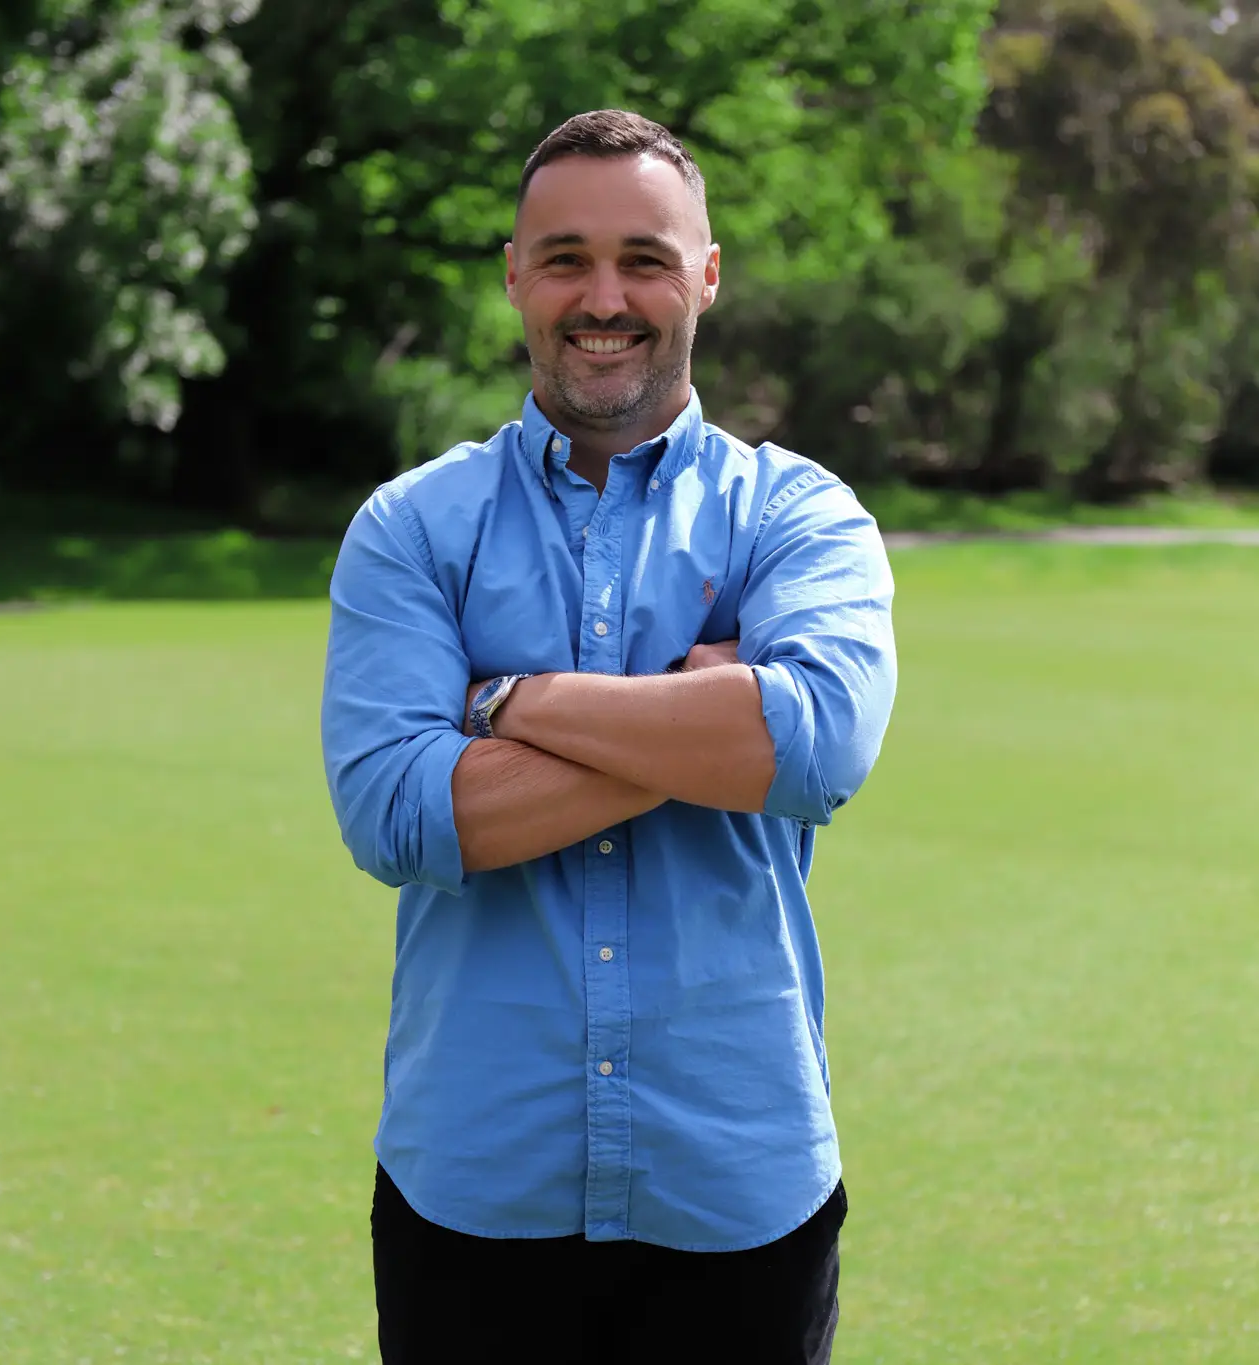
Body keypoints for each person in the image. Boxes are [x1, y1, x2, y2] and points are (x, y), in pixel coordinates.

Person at [321, 109, 898, 1365]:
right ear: (516, 275)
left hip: (736, 1178)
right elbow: (404, 817)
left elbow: (811, 753)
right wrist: (698, 726)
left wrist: (501, 703)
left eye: (644, 256)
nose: (604, 296)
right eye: (567, 256)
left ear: (706, 274)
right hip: (476, 1180)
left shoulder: (802, 513)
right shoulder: (411, 528)